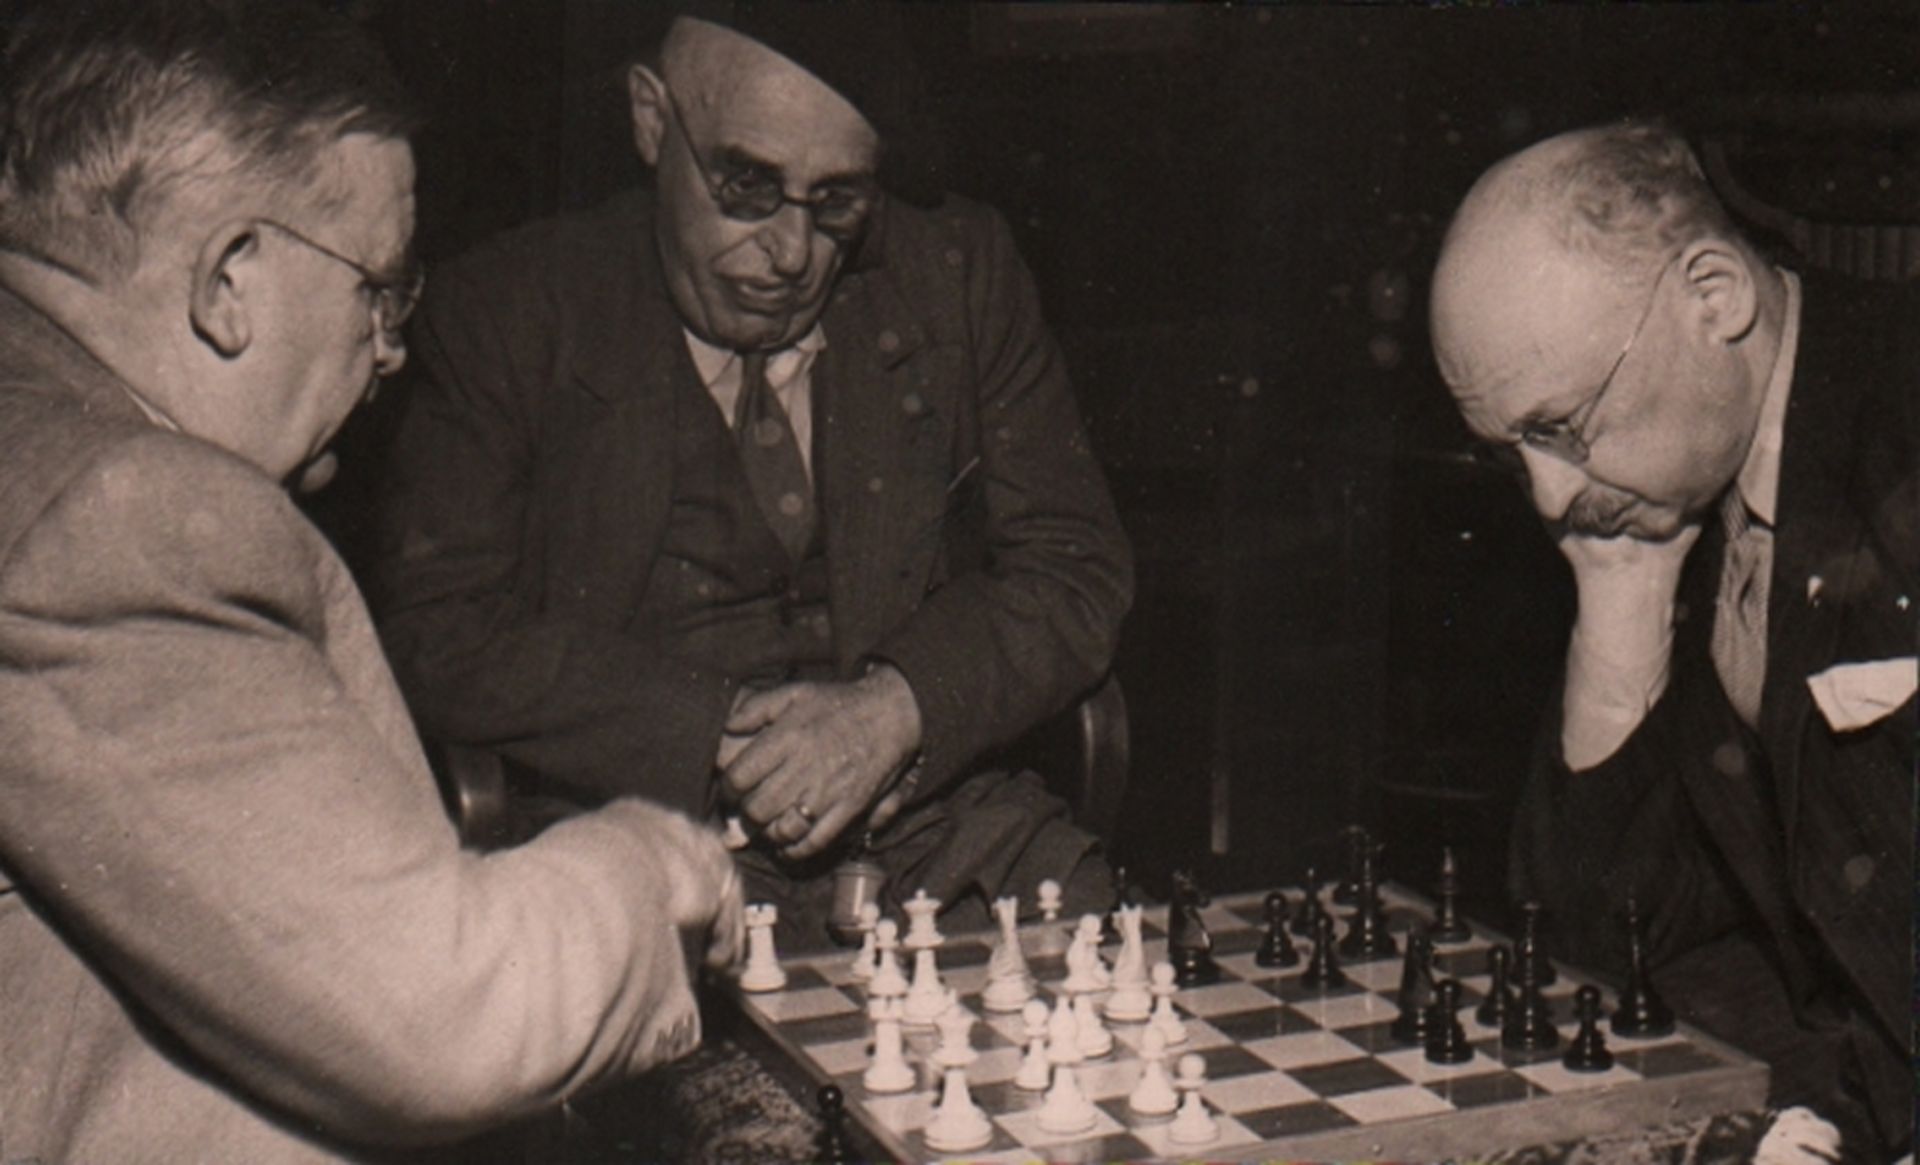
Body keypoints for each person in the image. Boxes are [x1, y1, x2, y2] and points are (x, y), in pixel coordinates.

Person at [0, 3, 743, 1161]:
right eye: (378, 288)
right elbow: (444, 1013)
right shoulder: (120, 515)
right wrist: (657, 863)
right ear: (230, 279)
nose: (392, 350)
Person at [371, 6, 1134, 950]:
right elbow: (434, 626)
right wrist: (713, 730)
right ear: (653, 120)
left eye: (836, 202)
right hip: (641, 841)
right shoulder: (511, 313)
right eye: (747, 186)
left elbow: (1074, 564)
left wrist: (896, 708)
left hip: (932, 830)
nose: (790, 251)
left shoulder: (955, 272)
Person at [1430, 121, 1913, 1160]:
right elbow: (1609, 953)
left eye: (1561, 428)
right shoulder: (1682, 485)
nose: (1550, 495)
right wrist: (1622, 594)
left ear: (1714, 297)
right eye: (1514, 453)